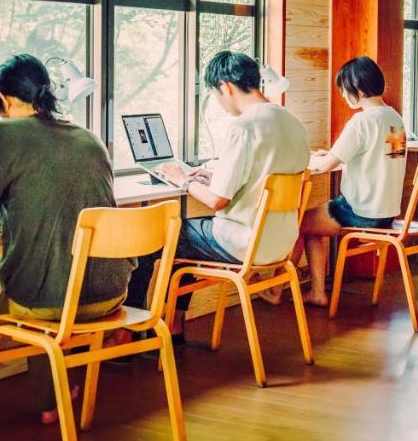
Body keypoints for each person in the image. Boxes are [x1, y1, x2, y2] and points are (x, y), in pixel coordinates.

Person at [0, 54, 130, 424]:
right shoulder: (88, 137)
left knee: (35, 291)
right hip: (112, 291)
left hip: (54, 301)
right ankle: (40, 384)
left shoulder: (2, 133)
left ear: (4, 101)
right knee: (45, 275)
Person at [127, 51, 310, 338]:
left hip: (242, 241)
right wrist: (212, 176)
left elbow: (217, 201)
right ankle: (173, 325)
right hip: (281, 241)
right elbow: (263, 178)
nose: (220, 103)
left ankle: (128, 332)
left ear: (226, 87)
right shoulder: (292, 122)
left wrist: (183, 180)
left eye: (216, 94)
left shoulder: (244, 126)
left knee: (156, 237)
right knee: (183, 247)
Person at [298, 56, 407, 307]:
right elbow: (386, 158)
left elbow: (325, 166)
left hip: (359, 212)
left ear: (357, 90)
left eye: (344, 92)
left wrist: (312, 160)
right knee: (316, 227)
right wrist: (339, 157)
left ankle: (279, 289)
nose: (344, 97)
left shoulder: (362, 121)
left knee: (300, 222)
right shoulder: (394, 118)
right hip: (386, 213)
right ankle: (317, 292)